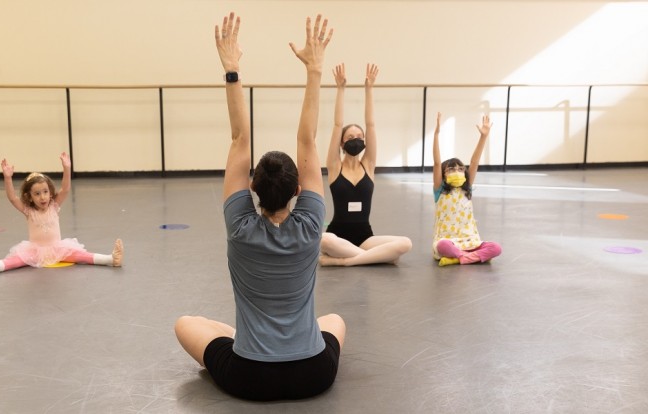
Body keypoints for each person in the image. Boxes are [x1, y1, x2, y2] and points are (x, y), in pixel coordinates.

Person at [174, 13, 345, 401]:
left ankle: (248, 336)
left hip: (249, 377)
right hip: (314, 373)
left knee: (187, 323)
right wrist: (314, 70)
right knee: (334, 320)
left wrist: (232, 70)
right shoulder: (311, 223)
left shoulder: (240, 226)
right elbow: (308, 142)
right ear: (298, 189)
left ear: (251, 187)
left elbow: (239, 139)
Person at [0, 153, 123, 277]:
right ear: (29, 196)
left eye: (45, 192)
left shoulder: (54, 206)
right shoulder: (29, 211)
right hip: (35, 251)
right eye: (37, 194)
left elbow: (66, 189)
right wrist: (7, 178)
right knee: (14, 261)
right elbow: (13, 198)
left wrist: (67, 168)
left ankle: (111, 259)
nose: (42, 197)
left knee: (81, 255)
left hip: (58, 248)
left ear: (50, 192)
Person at [318, 63, 412, 266]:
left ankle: (344, 262)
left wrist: (369, 89)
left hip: (365, 237)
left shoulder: (368, 165)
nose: (356, 139)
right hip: (337, 235)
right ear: (342, 143)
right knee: (324, 239)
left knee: (405, 243)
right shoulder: (335, 166)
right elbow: (336, 124)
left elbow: (371, 124)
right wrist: (340, 89)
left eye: (360, 137)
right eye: (350, 136)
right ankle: (373, 258)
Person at [432, 112, 502, 266]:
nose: (456, 172)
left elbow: (474, 161)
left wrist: (483, 137)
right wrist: (436, 135)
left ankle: (460, 258)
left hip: (471, 241)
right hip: (449, 241)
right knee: (442, 246)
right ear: (443, 175)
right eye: (450, 170)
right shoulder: (440, 190)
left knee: (496, 248)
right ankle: (470, 257)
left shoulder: (467, 189)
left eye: (460, 169)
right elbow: (437, 163)